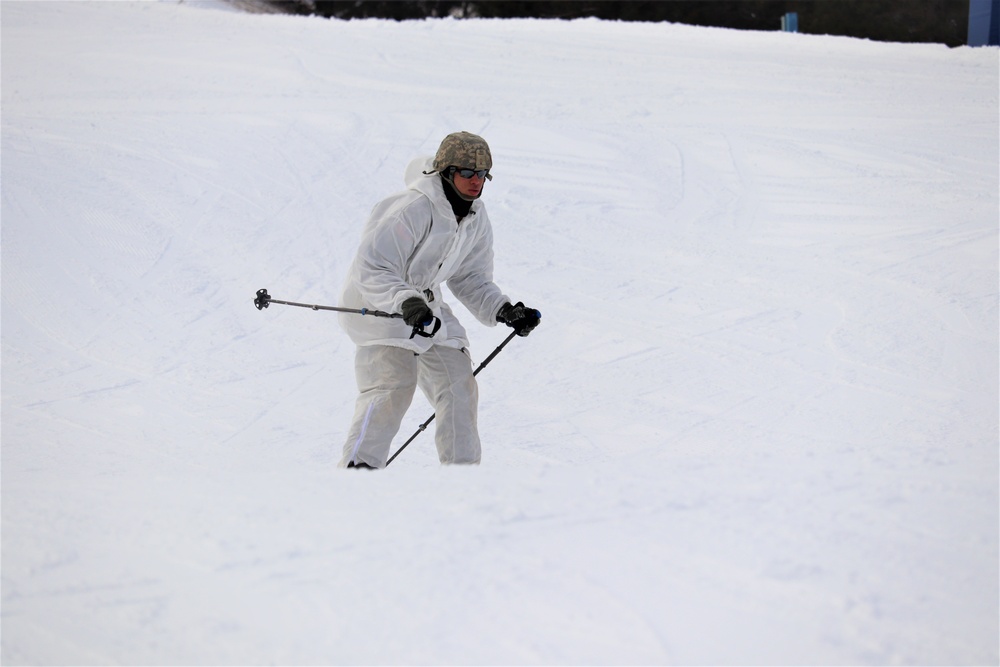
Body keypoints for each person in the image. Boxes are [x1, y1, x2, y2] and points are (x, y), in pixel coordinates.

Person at [337, 131, 541, 469]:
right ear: (446, 172)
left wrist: (504, 310)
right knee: (393, 386)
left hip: (426, 308)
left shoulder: (475, 216)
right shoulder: (411, 209)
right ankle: (358, 471)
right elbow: (372, 267)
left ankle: (460, 479)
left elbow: (469, 277)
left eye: (482, 175)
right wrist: (405, 301)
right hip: (379, 308)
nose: (476, 182)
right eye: (467, 173)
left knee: (459, 385)